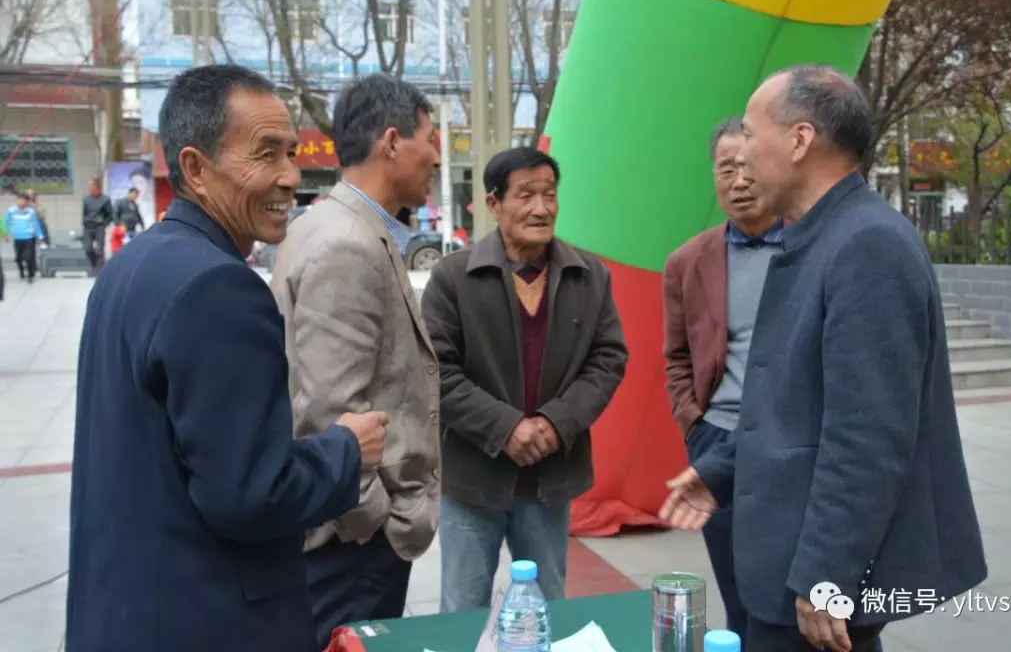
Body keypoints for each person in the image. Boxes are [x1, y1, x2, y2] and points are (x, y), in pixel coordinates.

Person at [659, 65, 986, 652]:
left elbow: (867, 436)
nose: (741, 156)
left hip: (811, 577)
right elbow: (797, 401)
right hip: (783, 559)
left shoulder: (866, 245)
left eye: (750, 134)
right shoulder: (819, 237)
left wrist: (825, 575)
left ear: (800, 140)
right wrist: (721, 471)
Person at [66, 64, 391, 652]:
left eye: (291, 153)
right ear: (195, 168)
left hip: (124, 611)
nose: (290, 176)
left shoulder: (132, 265)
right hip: (207, 620)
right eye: (266, 154)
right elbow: (250, 495)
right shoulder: (218, 289)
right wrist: (346, 449)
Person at [270, 73, 442, 646]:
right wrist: (368, 518)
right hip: (354, 541)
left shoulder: (338, 226)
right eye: (429, 139)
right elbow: (328, 407)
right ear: (391, 142)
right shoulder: (347, 242)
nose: (436, 157)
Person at [422, 146, 628, 613]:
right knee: (463, 609)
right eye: (526, 195)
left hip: (549, 477)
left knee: (547, 606)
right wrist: (506, 427)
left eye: (549, 194)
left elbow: (608, 360)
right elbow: (435, 370)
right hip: (473, 478)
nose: (541, 208)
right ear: (494, 204)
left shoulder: (589, 276)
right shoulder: (453, 277)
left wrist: (557, 423)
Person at [661, 117, 782, 641]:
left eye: (749, 167)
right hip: (718, 440)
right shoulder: (688, 261)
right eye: (726, 168)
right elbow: (676, 356)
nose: (739, 181)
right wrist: (695, 422)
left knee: (807, 591)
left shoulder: (811, 248)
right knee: (738, 589)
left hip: (791, 440)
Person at [4, 192, 44, 284]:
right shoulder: (11, 211)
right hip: (17, 237)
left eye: (22, 200)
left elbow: (35, 224)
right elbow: (7, 222)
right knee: (18, 258)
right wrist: (6, 234)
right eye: (19, 200)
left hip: (29, 237)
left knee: (29, 257)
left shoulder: (31, 212)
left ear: (27, 202)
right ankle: (21, 271)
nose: (20, 202)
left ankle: (30, 275)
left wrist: (40, 236)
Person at [82, 177, 113, 275]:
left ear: (96, 186)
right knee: (87, 248)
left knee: (100, 249)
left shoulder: (105, 199)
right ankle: (94, 264)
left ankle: (99, 269)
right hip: (88, 226)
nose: (89, 187)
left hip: (99, 225)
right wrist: (84, 222)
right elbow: (84, 213)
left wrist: (104, 223)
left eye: (90, 185)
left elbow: (110, 214)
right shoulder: (86, 199)